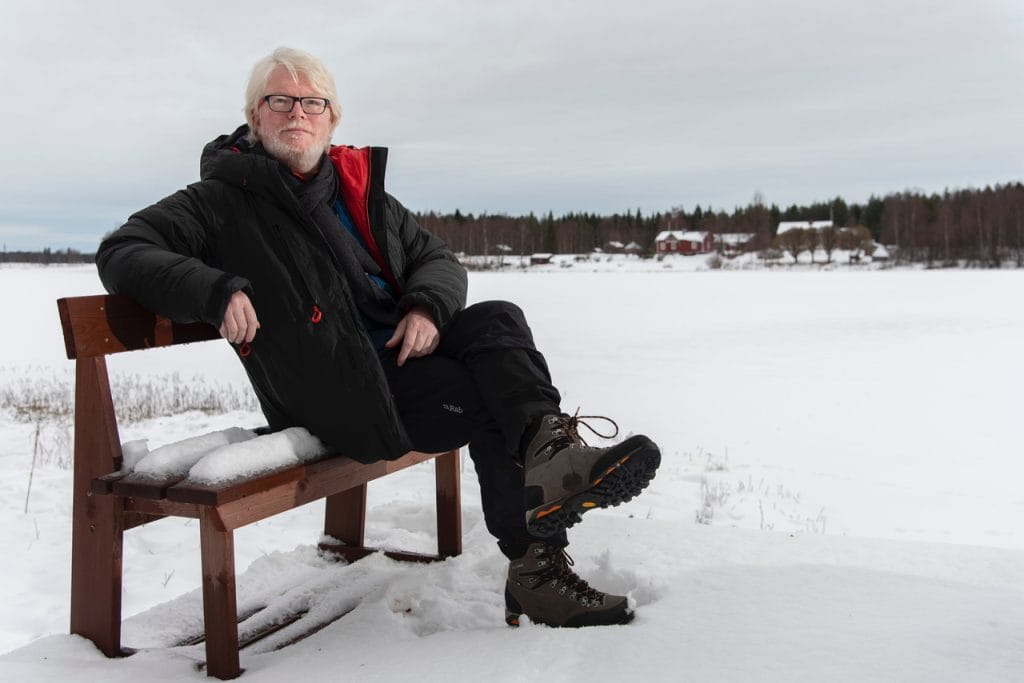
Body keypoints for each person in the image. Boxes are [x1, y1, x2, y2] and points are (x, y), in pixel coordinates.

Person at [96, 47, 660, 628]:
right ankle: (537, 564)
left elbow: (436, 257)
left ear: (331, 118)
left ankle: (551, 457)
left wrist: (426, 308)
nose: (297, 114)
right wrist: (213, 290)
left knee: (498, 318)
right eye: (280, 101)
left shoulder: (357, 190)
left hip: (401, 359)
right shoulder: (218, 201)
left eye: (312, 103)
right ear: (255, 115)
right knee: (494, 399)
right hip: (334, 389)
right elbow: (123, 251)